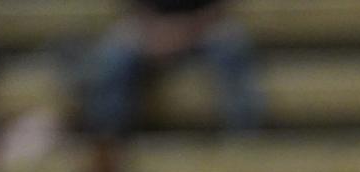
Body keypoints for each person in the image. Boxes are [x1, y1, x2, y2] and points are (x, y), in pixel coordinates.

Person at [85, 0, 262, 136]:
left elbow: (219, 8)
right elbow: (134, 7)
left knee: (231, 45)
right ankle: (110, 136)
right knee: (115, 55)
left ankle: (244, 135)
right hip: (151, 26)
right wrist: (156, 31)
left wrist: (183, 32)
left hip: (204, 24)